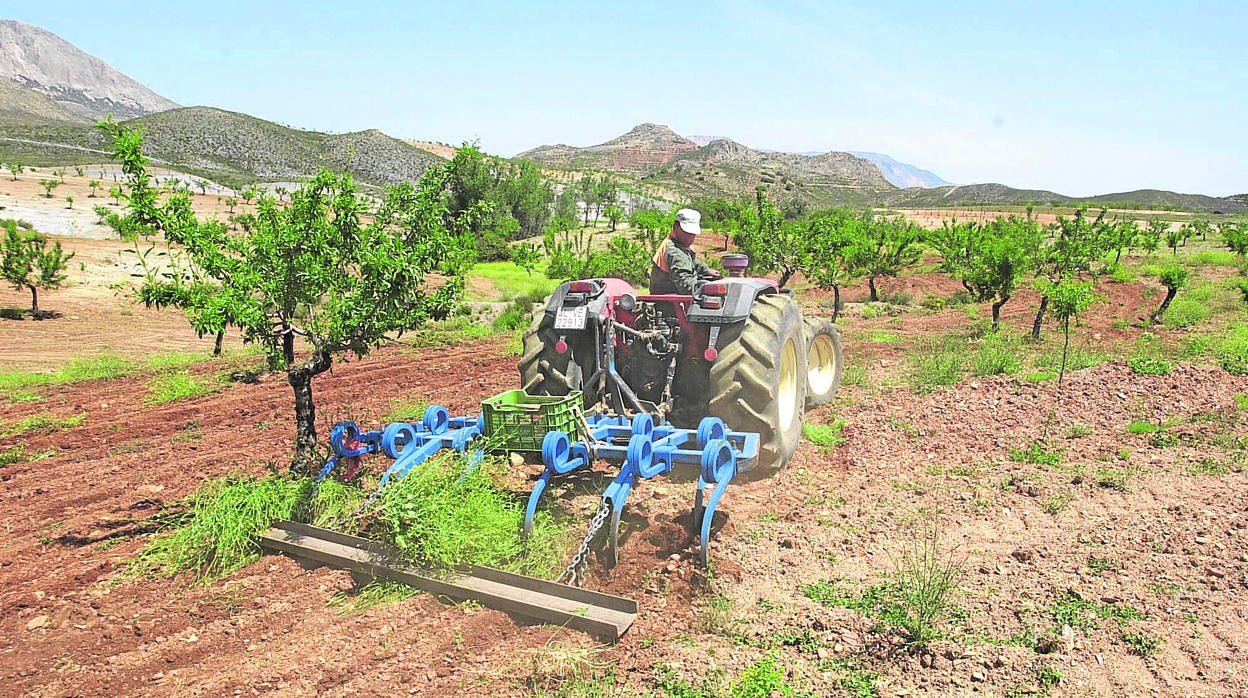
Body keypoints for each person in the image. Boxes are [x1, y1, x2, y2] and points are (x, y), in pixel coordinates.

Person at [648, 208, 722, 294]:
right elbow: (686, 286)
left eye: (692, 234)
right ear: (675, 227)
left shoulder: (680, 244)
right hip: (668, 302)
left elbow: (691, 261)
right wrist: (710, 289)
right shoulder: (674, 250)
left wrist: (706, 270)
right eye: (686, 233)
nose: (690, 238)